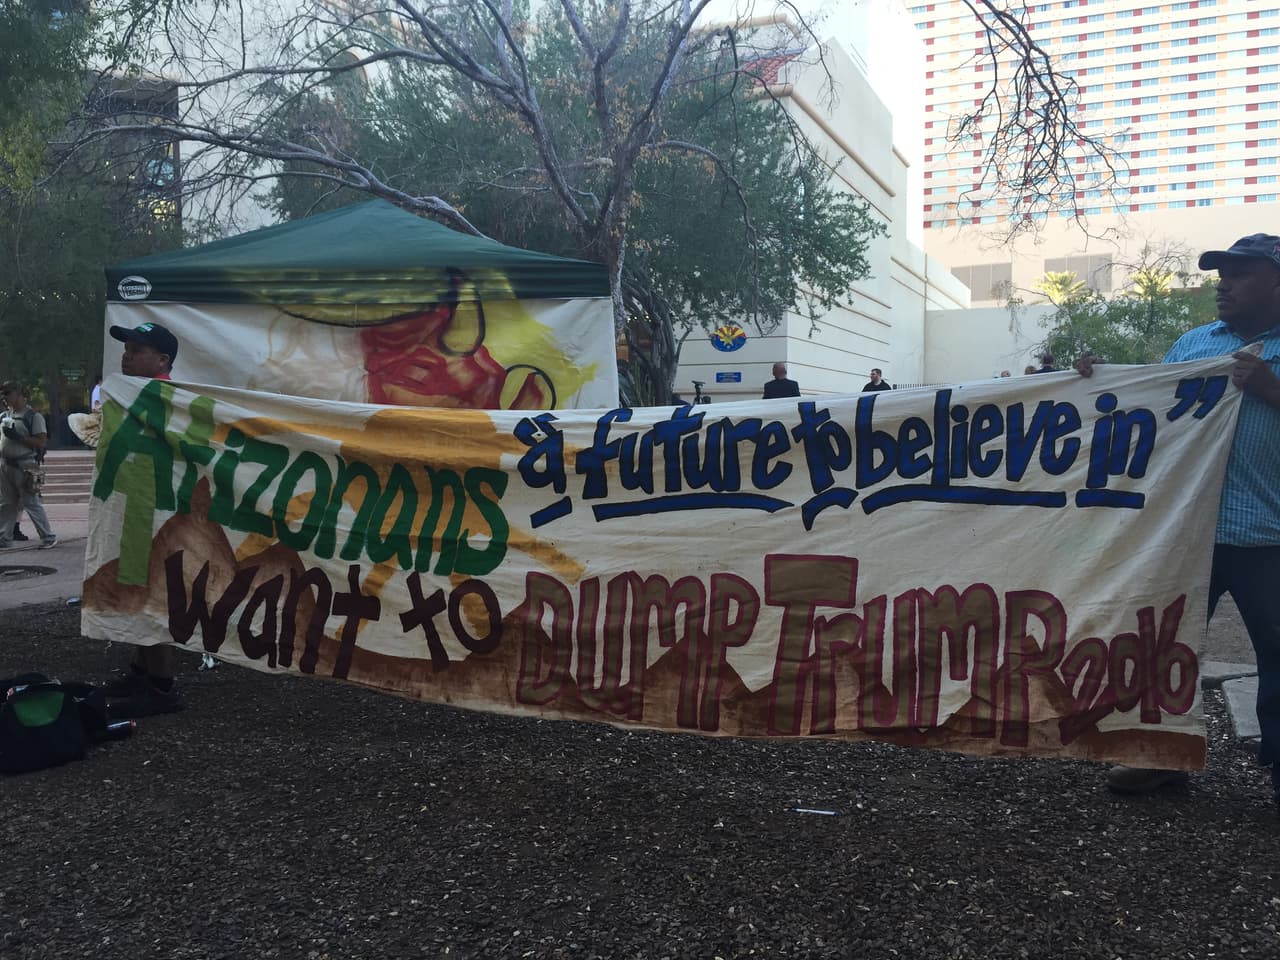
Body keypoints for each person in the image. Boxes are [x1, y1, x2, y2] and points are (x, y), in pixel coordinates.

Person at [1077, 233, 1280, 806]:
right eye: (1221, 273)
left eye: (1240, 274)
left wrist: (1269, 389)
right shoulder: (1195, 344)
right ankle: (1154, 758)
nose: (1224, 284)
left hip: (1270, 537)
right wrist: (1094, 385)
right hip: (1188, 531)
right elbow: (1150, 412)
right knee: (1160, 647)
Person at [103, 321, 184, 717]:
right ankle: (140, 669)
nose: (127, 355)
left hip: (158, 511)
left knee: (157, 594)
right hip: (138, 507)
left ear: (162, 359)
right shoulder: (136, 395)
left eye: (137, 350)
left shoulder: (167, 398)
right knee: (139, 586)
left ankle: (161, 685)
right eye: (127, 349)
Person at [0, 383, 57, 550]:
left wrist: (19, 438)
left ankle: (48, 537)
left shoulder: (32, 416)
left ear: (19, 394)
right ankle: (4, 538)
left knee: (31, 502)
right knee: (6, 503)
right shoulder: (4, 415)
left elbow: (41, 441)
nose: (4, 396)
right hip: (5, 465)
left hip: (25, 464)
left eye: (8, 393)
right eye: (2, 393)